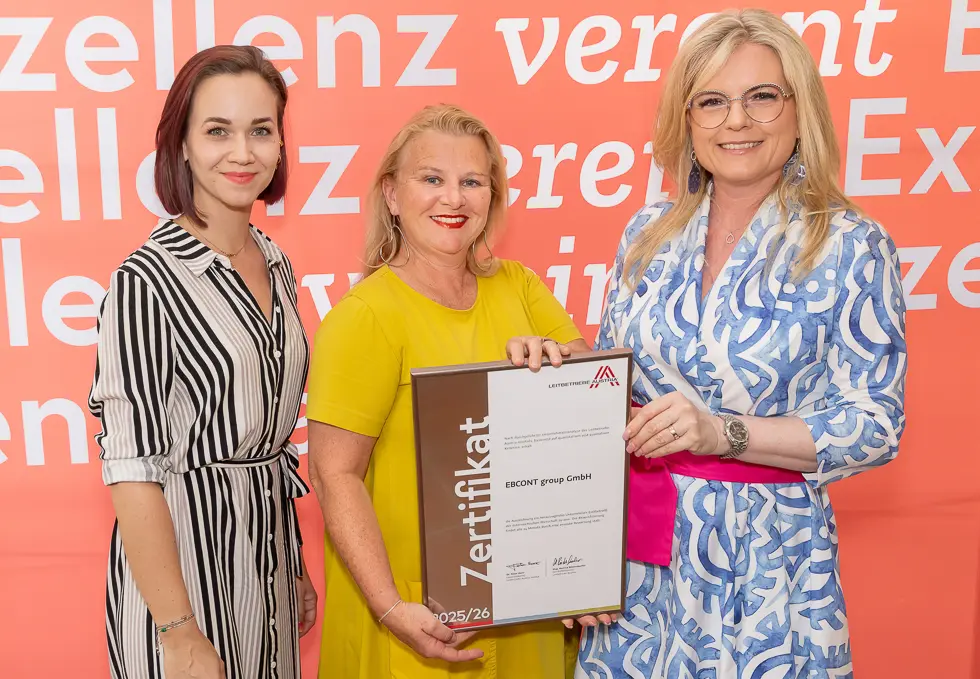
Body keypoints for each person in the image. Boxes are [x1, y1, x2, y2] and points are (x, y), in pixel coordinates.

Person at [509, 8, 907, 678]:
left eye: (761, 97)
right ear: (687, 120)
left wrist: (723, 432)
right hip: (638, 560)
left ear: (798, 107)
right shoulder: (646, 233)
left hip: (772, 569)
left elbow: (875, 424)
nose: (737, 122)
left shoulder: (851, 245)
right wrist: (563, 370)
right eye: (713, 101)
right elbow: (620, 392)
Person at [304, 104, 589, 678]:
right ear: (391, 193)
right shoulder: (365, 317)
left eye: (471, 182)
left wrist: (560, 370)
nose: (452, 199)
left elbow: (592, 399)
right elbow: (335, 475)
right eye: (431, 179)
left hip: (527, 596)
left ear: (492, 196)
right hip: (421, 615)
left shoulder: (521, 287)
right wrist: (389, 607)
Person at [88, 45, 317, 679]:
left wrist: (290, 563)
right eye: (218, 131)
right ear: (182, 145)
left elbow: (269, 446)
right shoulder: (147, 282)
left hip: (265, 574)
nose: (242, 153)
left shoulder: (275, 261)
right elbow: (132, 471)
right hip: (184, 582)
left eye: (261, 130)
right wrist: (180, 632)